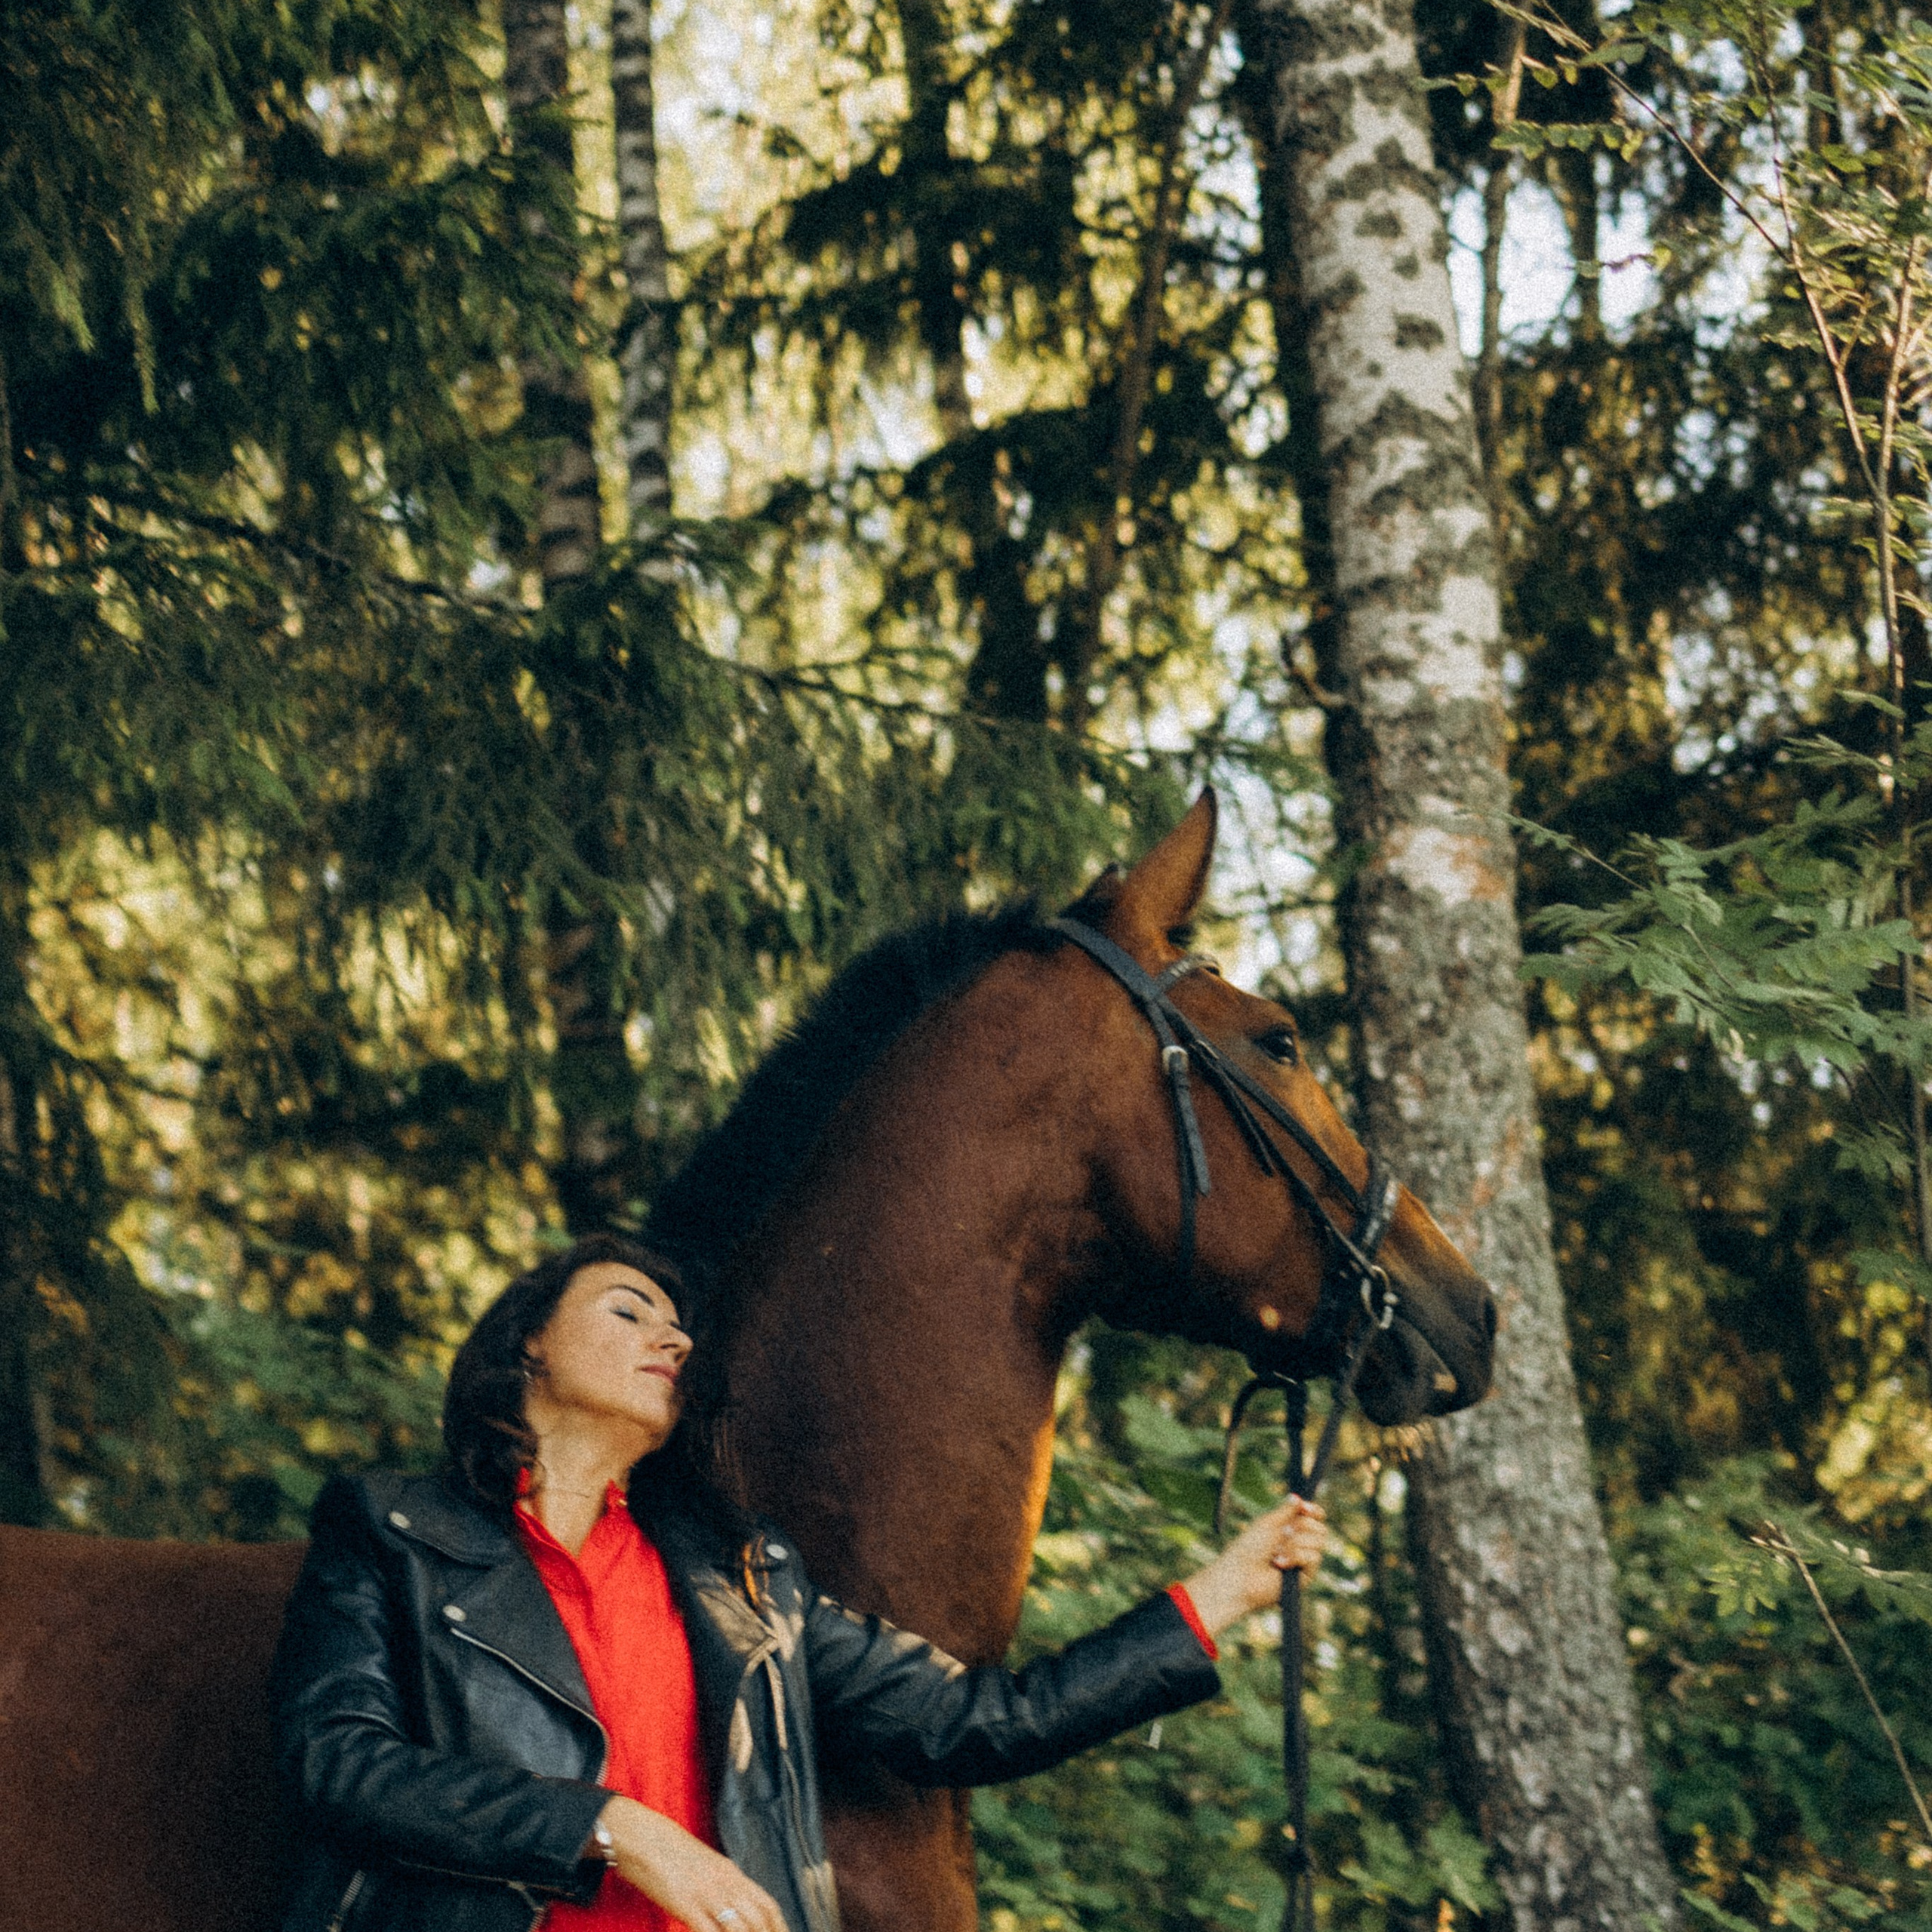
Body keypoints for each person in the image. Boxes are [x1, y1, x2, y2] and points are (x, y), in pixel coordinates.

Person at [270, 1233, 1328, 1932]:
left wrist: (1216, 1596)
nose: (672, 1336)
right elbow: (340, 1765)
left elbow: (976, 1721)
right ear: (529, 1346)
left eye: (680, 1325)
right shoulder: (392, 1533)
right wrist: (615, 1828)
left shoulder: (743, 1582)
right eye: (630, 1311)